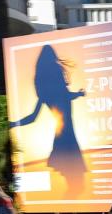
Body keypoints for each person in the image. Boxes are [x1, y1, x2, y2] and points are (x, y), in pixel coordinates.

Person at [9, 44, 87, 195]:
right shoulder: (58, 90)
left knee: (73, 184)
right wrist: (77, 94)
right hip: (67, 137)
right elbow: (65, 95)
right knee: (75, 184)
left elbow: (32, 118)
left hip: (62, 136)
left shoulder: (46, 94)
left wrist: (13, 124)